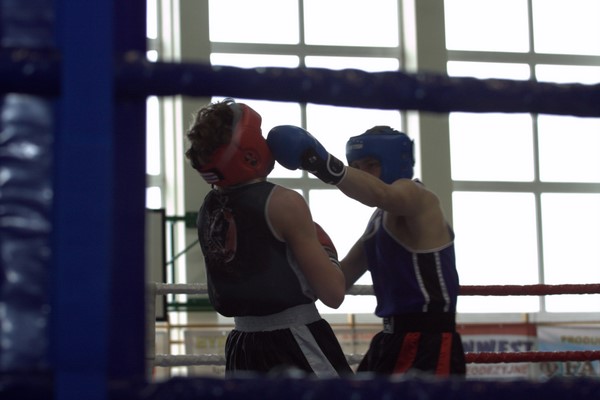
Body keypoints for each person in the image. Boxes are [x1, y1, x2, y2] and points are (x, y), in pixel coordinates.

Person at [267, 124, 466, 377]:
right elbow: (342, 277)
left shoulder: (419, 198)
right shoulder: (378, 221)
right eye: (357, 167)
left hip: (428, 340)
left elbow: (382, 194)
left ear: (395, 162)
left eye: (371, 164)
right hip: (390, 338)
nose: (363, 174)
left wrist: (323, 165)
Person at [184, 98, 353, 378]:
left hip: (241, 346)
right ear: (249, 154)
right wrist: (328, 253)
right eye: (260, 134)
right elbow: (333, 294)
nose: (267, 141)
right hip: (296, 342)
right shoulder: (284, 202)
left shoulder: (208, 209)